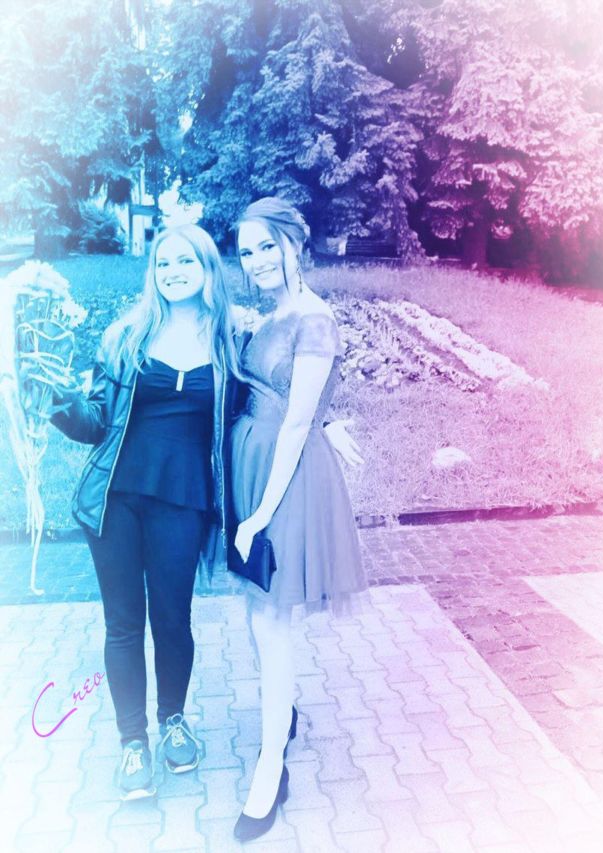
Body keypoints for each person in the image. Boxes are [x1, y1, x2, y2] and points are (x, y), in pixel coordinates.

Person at [46, 224, 358, 802]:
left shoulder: (230, 337)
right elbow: (94, 421)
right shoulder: (126, 336)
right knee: (122, 624)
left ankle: (173, 721)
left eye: (185, 261)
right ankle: (133, 743)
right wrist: (56, 403)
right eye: (163, 263)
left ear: (207, 267)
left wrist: (326, 422)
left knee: (172, 619)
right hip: (116, 500)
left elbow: (277, 388)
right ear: (153, 273)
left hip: (185, 501)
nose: (173, 272)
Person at [230, 197, 368, 841]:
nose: (257, 259)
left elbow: (294, 422)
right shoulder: (272, 313)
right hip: (253, 463)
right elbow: (285, 391)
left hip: (283, 479)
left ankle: (269, 769)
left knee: (271, 615)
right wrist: (329, 418)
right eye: (246, 250)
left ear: (295, 244)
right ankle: (280, 715)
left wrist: (260, 512)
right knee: (258, 608)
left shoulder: (314, 318)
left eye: (268, 245)